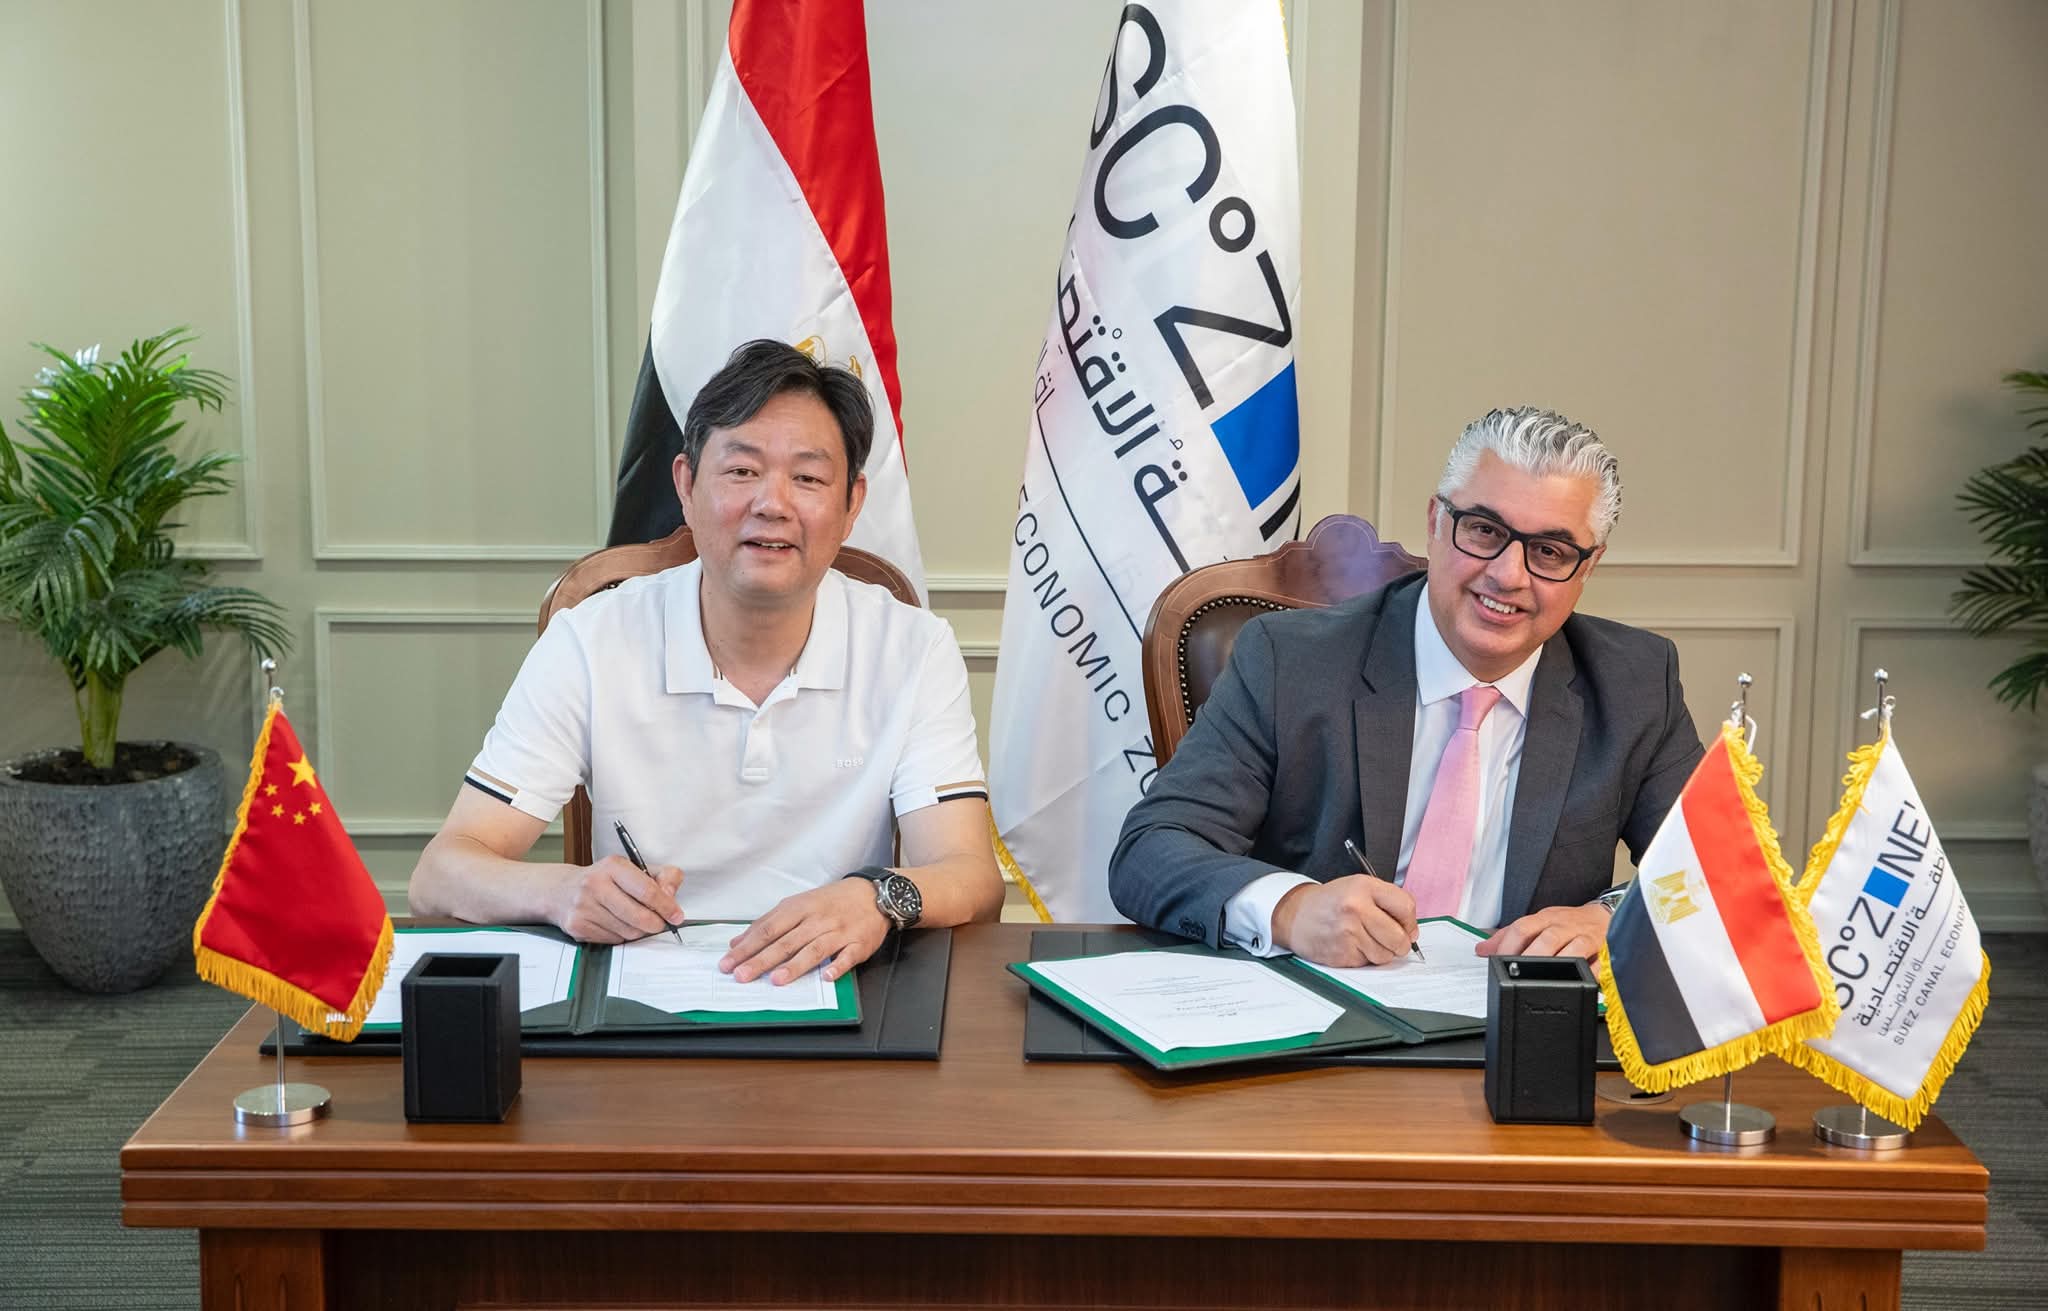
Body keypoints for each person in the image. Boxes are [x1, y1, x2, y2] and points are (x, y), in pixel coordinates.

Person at [410, 339, 1003, 984]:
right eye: (742, 471)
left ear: (851, 505)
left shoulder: (914, 647)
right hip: (642, 996)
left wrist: (876, 897)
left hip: (834, 987)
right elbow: (440, 875)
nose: (772, 504)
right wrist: (560, 893)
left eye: (808, 478)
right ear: (686, 487)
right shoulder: (590, 640)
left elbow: (971, 876)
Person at [1108, 407, 1703, 967]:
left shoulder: (1635, 683)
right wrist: (1290, 910)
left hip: (1521, 1024)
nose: (1507, 575)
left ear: (1588, 566)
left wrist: (1616, 918)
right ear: (1436, 522)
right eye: (1484, 530)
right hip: (1324, 1015)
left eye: (1549, 551)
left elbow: (1718, 870)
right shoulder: (1289, 661)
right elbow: (1152, 850)